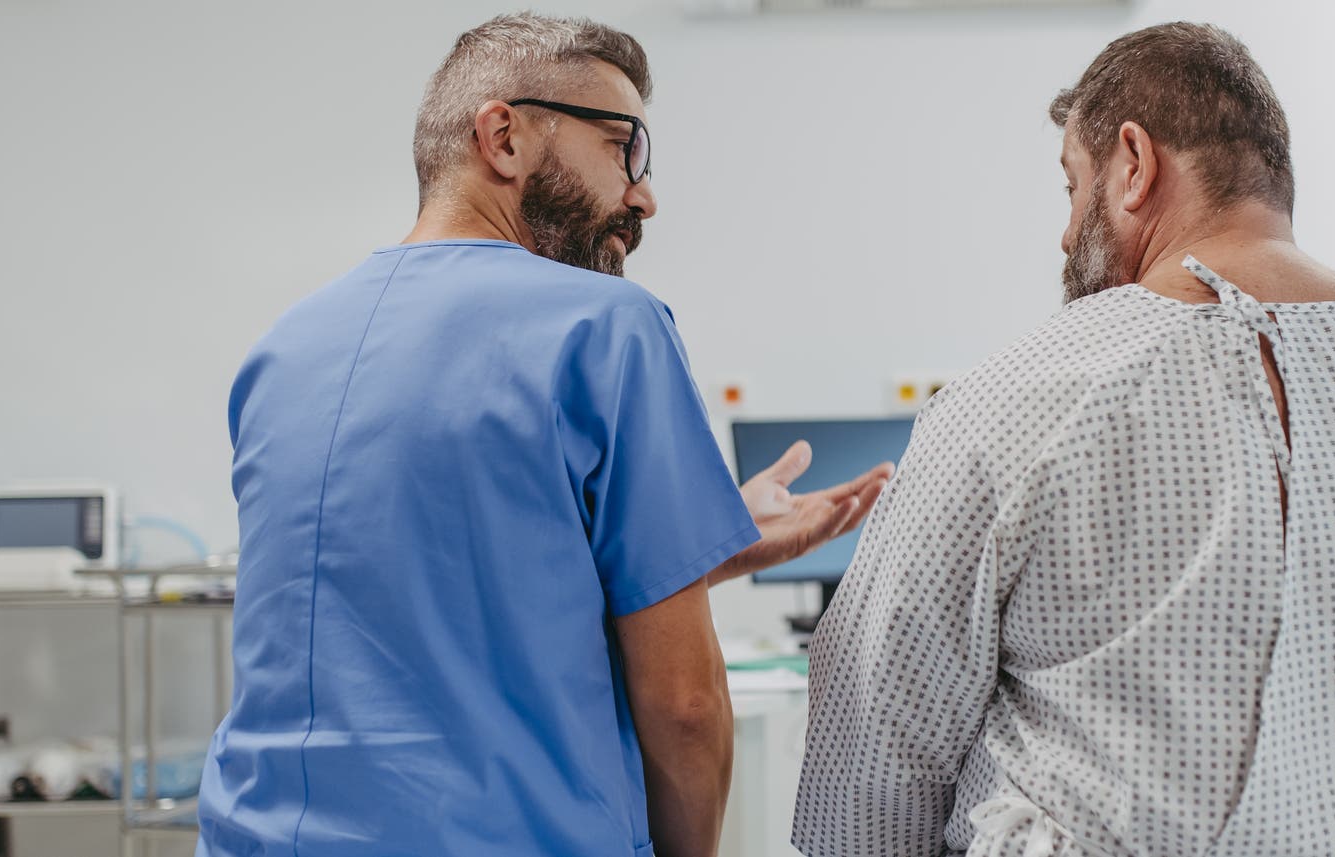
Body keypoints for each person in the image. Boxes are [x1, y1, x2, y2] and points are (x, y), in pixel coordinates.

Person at [794, 22, 1335, 857]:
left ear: (1134, 163)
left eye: (1071, 185)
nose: (1064, 233)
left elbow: (870, 760)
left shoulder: (1019, 399)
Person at [197, 13, 890, 857]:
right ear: (504, 137)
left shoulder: (283, 346)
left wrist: (696, 545)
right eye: (620, 148)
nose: (644, 194)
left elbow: (433, 591)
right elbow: (685, 704)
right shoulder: (609, 327)